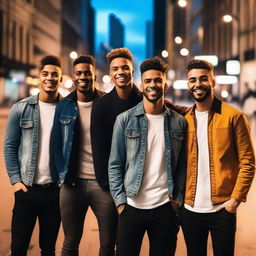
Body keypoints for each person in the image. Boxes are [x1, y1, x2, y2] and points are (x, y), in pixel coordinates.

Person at [108, 57, 187, 256]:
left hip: (165, 208)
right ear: (141, 85)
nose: (153, 85)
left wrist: (175, 201)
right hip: (132, 206)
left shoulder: (178, 123)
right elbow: (115, 164)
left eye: (157, 80)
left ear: (165, 85)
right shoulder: (124, 120)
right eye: (148, 81)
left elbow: (183, 167)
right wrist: (121, 203)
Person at [179, 59, 255, 256]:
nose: (198, 84)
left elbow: (248, 162)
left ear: (213, 81)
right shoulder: (184, 120)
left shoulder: (233, 117)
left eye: (203, 79)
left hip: (222, 209)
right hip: (190, 210)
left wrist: (235, 200)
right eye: (193, 80)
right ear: (188, 84)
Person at [52, 55, 115, 256]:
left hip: (103, 184)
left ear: (94, 74)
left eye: (87, 72)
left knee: (107, 243)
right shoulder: (64, 105)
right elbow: (56, 143)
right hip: (72, 185)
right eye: (78, 73)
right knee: (70, 242)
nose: (83, 77)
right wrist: (61, 176)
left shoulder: (106, 102)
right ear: (73, 75)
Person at [4, 55, 62, 256]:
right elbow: (10, 147)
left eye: (55, 74)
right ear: (39, 77)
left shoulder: (68, 110)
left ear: (61, 79)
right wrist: (15, 181)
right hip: (26, 190)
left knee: (49, 249)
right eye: (45, 73)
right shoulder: (20, 108)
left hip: (54, 192)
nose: (50, 78)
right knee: (19, 248)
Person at [91, 47, 142, 192]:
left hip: (142, 185)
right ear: (110, 73)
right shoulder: (100, 105)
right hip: (112, 188)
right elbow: (99, 151)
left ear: (132, 71)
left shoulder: (145, 102)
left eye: (125, 67)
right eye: (115, 69)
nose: (120, 72)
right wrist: (109, 187)